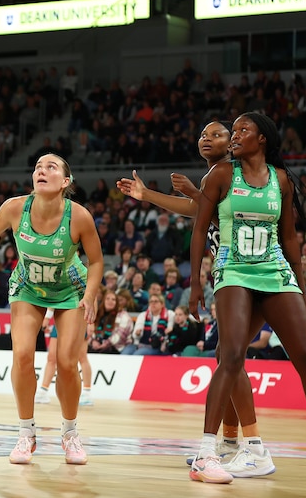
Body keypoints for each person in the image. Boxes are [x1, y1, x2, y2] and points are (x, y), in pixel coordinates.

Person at [187, 111, 306, 484]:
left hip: (274, 272)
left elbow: (290, 237)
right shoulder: (220, 175)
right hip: (233, 271)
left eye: (242, 130)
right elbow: (200, 229)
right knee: (229, 356)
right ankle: (206, 454)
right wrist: (195, 285)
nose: (234, 136)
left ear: (262, 138)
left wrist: (299, 284)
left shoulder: (280, 180)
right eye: (232, 131)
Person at [117, 120, 271, 474]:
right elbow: (195, 211)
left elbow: (219, 213)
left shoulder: (231, 171)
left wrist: (192, 192)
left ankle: (251, 445)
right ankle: (232, 442)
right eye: (202, 134)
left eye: (216, 134)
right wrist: (147, 195)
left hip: (253, 275)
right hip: (234, 280)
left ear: (231, 142)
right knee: (227, 357)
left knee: (229, 357)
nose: (207, 138)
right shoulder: (212, 176)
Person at [0, 153, 103, 465]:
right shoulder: (15, 208)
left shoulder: (79, 216)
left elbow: (96, 261)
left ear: (65, 182)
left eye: (51, 167)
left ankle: (70, 433)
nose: (42, 171)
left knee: (67, 362)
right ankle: (26, 433)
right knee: (22, 354)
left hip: (70, 289)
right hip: (27, 287)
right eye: (38, 167)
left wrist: (92, 294)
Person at [34, 309, 94, 406]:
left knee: (81, 357)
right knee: (52, 357)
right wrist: (47, 317)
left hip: (78, 317)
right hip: (60, 317)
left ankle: (87, 392)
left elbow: (92, 298)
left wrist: (91, 321)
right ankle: (43, 391)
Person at [88, 288, 134, 354]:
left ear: (117, 302)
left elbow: (120, 336)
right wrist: (93, 341)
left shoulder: (124, 316)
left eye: (113, 299)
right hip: (97, 345)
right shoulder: (97, 314)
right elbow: (90, 332)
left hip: (118, 347)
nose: (110, 301)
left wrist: (105, 344)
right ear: (103, 301)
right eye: (107, 299)